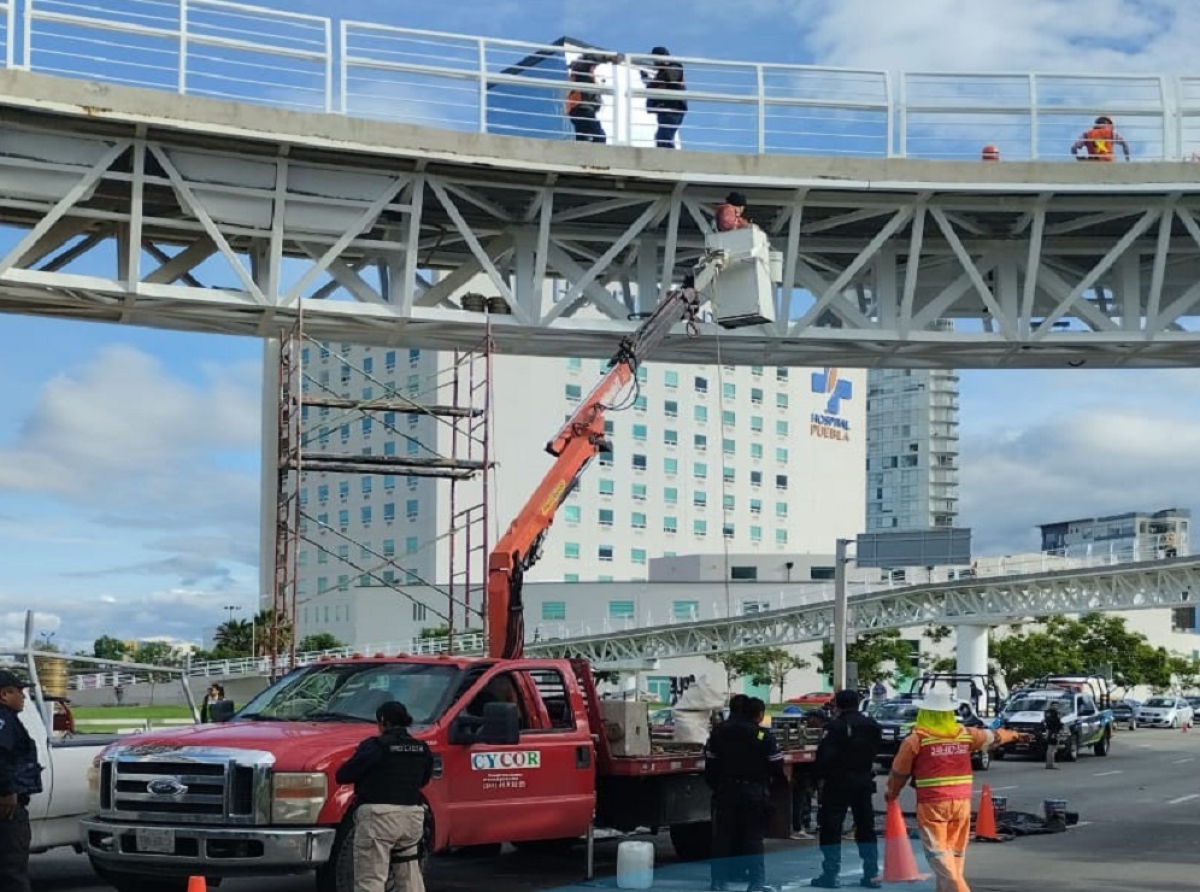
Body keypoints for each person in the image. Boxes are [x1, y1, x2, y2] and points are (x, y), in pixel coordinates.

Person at [885, 688, 1029, 892]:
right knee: (954, 854)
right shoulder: (964, 734)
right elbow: (994, 736)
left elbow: (899, 772)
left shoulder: (917, 739)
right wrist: (1015, 735)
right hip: (961, 803)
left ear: (924, 712)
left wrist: (892, 794)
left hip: (932, 804)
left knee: (939, 856)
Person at [336, 701, 434, 892]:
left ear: (382, 721)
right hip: (412, 817)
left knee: (371, 878)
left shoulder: (375, 746)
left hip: (379, 819)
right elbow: (423, 780)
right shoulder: (421, 748)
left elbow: (344, 775)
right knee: (409, 876)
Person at [705, 696, 785, 892]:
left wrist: (717, 786)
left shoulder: (719, 732)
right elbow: (777, 765)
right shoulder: (762, 735)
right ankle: (756, 883)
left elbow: (710, 764)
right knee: (753, 839)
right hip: (753, 792)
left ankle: (718, 882)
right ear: (759, 715)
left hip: (726, 790)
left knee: (722, 837)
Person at [810, 689, 883, 889]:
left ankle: (831, 874)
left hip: (838, 780)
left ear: (838, 705)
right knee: (866, 826)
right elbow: (877, 750)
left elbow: (825, 756)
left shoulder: (836, 726)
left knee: (832, 826)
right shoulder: (872, 725)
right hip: (863, 779)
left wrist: (818, 777)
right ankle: (871, 873)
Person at [0, 670, 42, 892]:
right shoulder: (3, 720)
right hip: (7, 807)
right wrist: (7, 793)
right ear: (4, 694)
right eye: (19, 691)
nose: (24, 697)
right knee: (11, 869)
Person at [641, 47, 688, 148]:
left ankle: (669, 160)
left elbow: (672, 78)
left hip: (673, 109)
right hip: (665, 110)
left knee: (663, 137)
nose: (654, 62)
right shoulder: (661, 73)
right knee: (662, 137)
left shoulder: (674, 66)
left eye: (655, 59)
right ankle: (667, 158)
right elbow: (652, 88)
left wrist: (665, 65)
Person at [566, 55, 606, 144]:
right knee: (600, 135)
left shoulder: (584, 74)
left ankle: (583, 156)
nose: (594, 67)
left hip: (580, 109)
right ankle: (596, 155)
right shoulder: (582, 70)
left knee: (583, 137)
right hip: (581, 109)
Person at [1043, 705, 1063, 770]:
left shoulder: (1047, 716)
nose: (1057, 707)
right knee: (1052, 749)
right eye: (1056, 706)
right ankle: (1051, 764)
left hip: (1050, 732)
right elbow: (1058, 724)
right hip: (1054, 733)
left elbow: (1046, 725)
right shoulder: (1055, 716)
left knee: (1050, 749)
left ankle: (1048, 763)